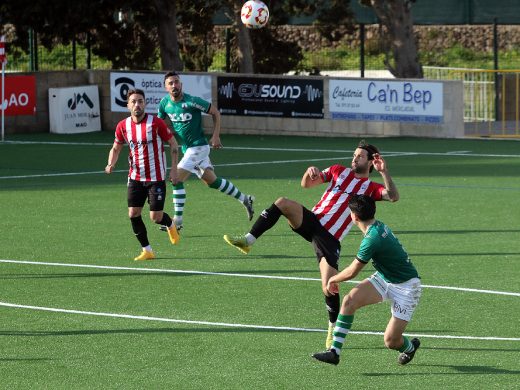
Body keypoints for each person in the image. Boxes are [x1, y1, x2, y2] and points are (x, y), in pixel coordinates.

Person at [223, 140, 399, 349]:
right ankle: (248, 241)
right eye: (354, 154)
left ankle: (332, 326)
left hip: (330, 238)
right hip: (313, 220)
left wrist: (384, 172)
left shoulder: (370, 188)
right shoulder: (337, 170)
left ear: (371, 162)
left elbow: (393, 196)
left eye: (360, 156)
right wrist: (309, 173)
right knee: (282, 203)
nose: (354, 158)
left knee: (329, 285)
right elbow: (307, 184)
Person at [312, 194, 421, 366]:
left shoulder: (372, 239)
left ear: (354, 216)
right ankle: (334, 352)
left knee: (391, 341)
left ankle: (409, 348)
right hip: (384, 279)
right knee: (349, 301)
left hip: (406, 288)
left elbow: (353, 271)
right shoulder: (376, 227)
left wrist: (332, 279)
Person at [157, 71, 254, 240]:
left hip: (199, 147)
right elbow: (159, 124)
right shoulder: (164, 104)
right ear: (166, 87)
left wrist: (215, 136)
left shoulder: (192, 101)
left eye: (177, 82)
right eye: (171, 83)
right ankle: (245, 199)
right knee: (212, 181)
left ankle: (177, 222)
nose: (174, 85)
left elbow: (215, 113)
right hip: (188, 149)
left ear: (181, 84)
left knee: (176, 179)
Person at [105, 88, 180, 261]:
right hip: (135, 178)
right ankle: (147, 250)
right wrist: (111, 163)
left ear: (145, 103)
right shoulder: (123, 126)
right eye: (133, 101)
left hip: (156, 178)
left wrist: (174, 169)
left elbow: (173, 144)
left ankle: (169, 223)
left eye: (140, 101)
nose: (137, 104)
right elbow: (116, 148)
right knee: (133, 213)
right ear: (128, 105)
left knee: (156, 217)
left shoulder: (156, 123)